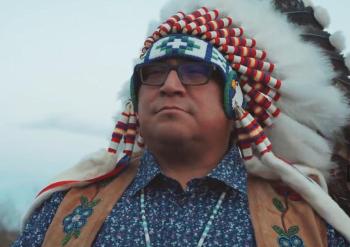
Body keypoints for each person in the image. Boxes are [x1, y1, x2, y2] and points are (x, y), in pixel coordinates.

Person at [12, 0, 350, 246]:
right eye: (154, 73)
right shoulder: (65, 208)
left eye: (195, 72)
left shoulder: (309, 220)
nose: (170, 85)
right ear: (136, 100)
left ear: (234, 100)